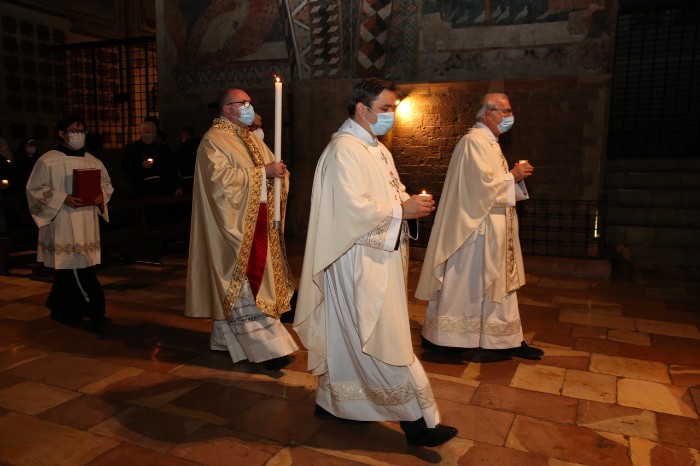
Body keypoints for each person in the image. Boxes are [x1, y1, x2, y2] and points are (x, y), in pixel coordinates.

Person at [294, 77, 458, 448]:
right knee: (380, 338)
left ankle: (333, 402)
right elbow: (350, 211)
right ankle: (417, 422)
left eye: (393, 108)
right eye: (385, 108)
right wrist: (401, 210)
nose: (391, 115)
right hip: (355, 262)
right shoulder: (343, 151)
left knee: (352, 336)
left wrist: (410, 205)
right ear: (362, 108)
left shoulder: (377, 149)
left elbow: (389, 194)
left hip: (377, 258)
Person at [415, 93, 544, 360]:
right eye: (505, 111)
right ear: (488, 114)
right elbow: (478, 188)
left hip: (494, 228)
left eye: (510, 111)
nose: (509, 116)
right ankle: (446, 341)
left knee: (498, 285)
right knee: (466, 286)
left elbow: (493, 183)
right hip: (474, 230)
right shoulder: (473, 142)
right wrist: (512, 176)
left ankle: (506, 339)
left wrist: (513, 178)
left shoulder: (490, 143)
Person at [185, 88, 298, 371]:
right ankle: (270, 350)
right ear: (227, 108)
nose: (249, 107)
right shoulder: (214, 140)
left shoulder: (250, 138)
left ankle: (224, 339)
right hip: (235, 225)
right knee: (244, 284)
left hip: (258, 221)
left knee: (247, 285)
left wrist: (279, 173)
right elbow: (219, 182)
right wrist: (263, 173)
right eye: (243, 103)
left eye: (250, 102)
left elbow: (273, 170)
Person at [25, 115, 114, 330]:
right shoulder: (48, 160)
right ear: (62, 133)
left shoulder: (93, 161)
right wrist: (63, 198)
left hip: (86, 220)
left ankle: (61, 308)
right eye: (74, 131)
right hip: (63, 220)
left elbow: (106, 185)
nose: (79, 135)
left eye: (82, 131)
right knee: (74, 267)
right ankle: (94, 309)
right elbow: (34, 189)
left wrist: (100, 196)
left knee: (72, 268)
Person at [121, 120, 181, 197]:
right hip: (141, 189)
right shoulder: (132, 149)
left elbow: (171, 168)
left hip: (162, 189)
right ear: (141, 132)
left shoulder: (163, 149)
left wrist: (176, 186)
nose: (151, 135)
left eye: (153, 133)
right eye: (148, 133)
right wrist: (141, 165)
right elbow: (126, 167)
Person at [173, 126, 200, 194]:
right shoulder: (200, 146)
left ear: (184, 134)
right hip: (199, 179)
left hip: (186, 180)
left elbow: (176, 165)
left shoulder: (181, 148)